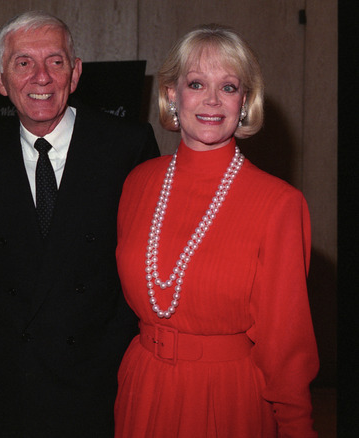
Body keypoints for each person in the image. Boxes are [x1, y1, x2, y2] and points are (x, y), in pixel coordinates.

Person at [114, 24, 319, 437]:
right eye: (196, 83)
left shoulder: (279, 203)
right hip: (142, 386)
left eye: (228, 87)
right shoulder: (138, 182)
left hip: (227, 398)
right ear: (172, 94)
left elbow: (286, 344)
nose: (211, 100)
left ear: (245, 101)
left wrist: (298, 428)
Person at [0, 11, 159, 436]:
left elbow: (149, 261)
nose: (42, 77)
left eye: (55, 61)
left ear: (76, 72)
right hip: (13, 381)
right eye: (23, 62)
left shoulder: (127, 144)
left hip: (99, 378)